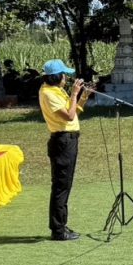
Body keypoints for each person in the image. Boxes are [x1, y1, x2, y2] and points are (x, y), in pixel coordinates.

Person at [39, 59, 91, 241]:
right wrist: (74, 93)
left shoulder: (56, 91)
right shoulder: (48, 93)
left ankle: (61, 224)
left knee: (65, 184)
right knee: (61, 186)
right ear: (56, 77)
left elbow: (74, 112)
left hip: (69, 140)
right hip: (62, 142)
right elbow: (69, 116)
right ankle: (58, 230)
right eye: (64, 75)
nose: (66, 79)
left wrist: (83, 96)